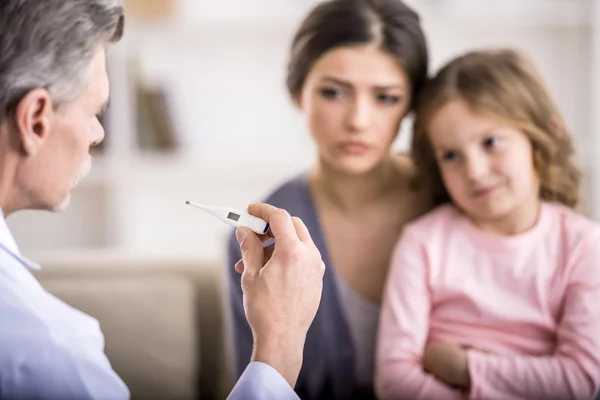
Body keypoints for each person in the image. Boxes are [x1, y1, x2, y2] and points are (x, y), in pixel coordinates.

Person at [0, 1, 324, 399]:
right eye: (94, 112)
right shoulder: (48, 351)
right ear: (35, 118)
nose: (98, 134)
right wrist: (280, 346)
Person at [226, 0, 430, 398]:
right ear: (298, 92)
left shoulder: (453, 204)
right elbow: (259, 386)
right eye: (334, 92)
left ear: (410, 105)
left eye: (386, 97)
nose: (358, 120)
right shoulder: (260, 236)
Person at [375, 48, 600, 400]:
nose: (475, 171)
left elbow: (582, 379)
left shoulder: (583, 244)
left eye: (491, 143)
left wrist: (466, 368)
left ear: (543, 135)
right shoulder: (423, 242)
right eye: (451, 156)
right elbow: (394, 380)